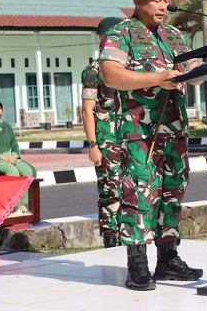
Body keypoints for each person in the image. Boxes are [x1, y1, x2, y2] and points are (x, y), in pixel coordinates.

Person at [99, 0, 202, 291]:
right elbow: (111, 74)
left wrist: (203, 70)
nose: (163, 6)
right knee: (141, 197)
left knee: (172, 194)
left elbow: (191, 69)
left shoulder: (172, 34)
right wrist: (157, 78)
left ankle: (168, 260)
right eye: (157, 0)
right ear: (138, 2)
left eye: (165, 0)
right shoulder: (122, 33)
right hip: (140, 133)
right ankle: (137, 266)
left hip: (174, 130)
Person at [81, 16, 123, 248]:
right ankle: (110, 237)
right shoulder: (93, 71)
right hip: (106, 140)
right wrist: (93, 145)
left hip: (130, 138)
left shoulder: (128, 68)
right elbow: (87, 111)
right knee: (109, 189)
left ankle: (130, 239)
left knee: (132, 189)